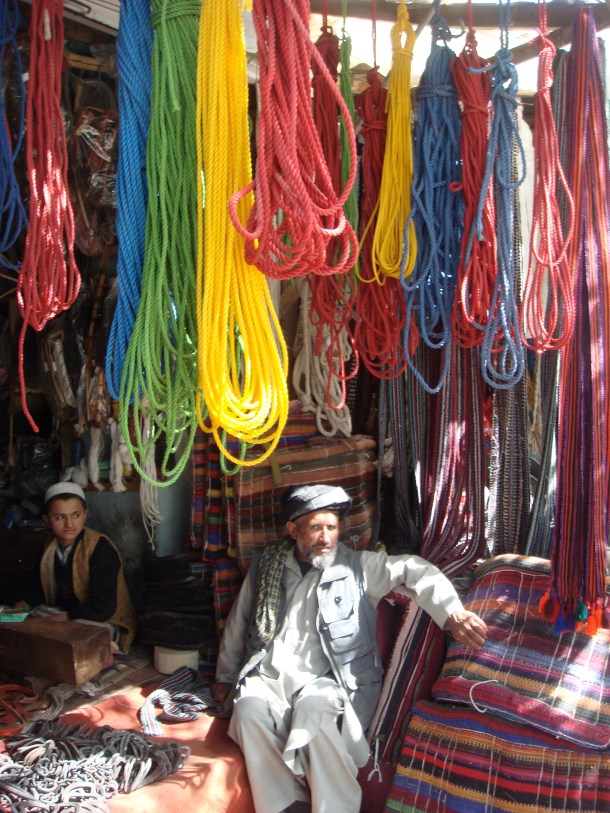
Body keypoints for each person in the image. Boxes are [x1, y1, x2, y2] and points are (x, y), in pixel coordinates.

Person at [213, 484, 487, 813]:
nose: (326, 537)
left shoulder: (359, 567)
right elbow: (239, 623)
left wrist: (453, 613)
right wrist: (227, 677)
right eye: (316, 527)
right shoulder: (267, 566)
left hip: (334, 681)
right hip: (272, 676)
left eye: (332, 527)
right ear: (293, 530)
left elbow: (414, 569)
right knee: (247, 710)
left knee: (314, 710)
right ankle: (286, 803)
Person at [18, 482, 137, 653]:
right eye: (59, 517)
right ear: (46, 520)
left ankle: (102, 653)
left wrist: (63, 618)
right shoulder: (48, 547)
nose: (69, 524)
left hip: (101, 620)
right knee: (26, 622)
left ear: (85, 515)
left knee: (73, 636)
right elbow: (39, 589)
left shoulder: (100, 548)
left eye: (75, 515)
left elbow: (102, 608)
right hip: (63, 612)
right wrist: (24, 605)